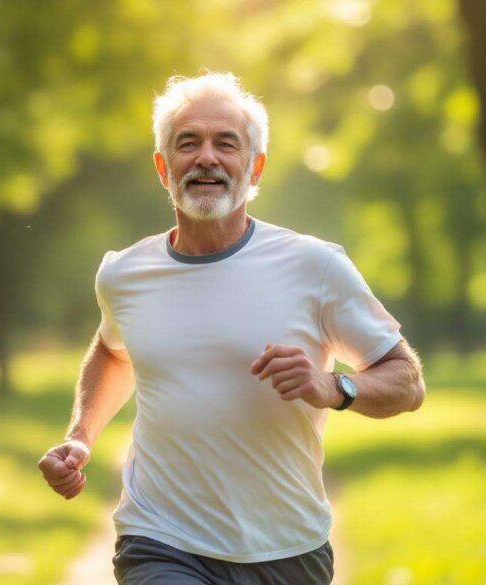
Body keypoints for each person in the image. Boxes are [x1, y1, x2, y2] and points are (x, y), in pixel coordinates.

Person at [38, 72, 426, 585]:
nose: (206, 158)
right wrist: (80, 436)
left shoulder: (316, 266)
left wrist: (332, 387)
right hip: (161, 540)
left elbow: (407, 381)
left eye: (226, 144)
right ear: (162, 167)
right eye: (187, 143)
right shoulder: (123, 274)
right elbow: (114, 352)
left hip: (288, 548)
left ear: (254, 166)